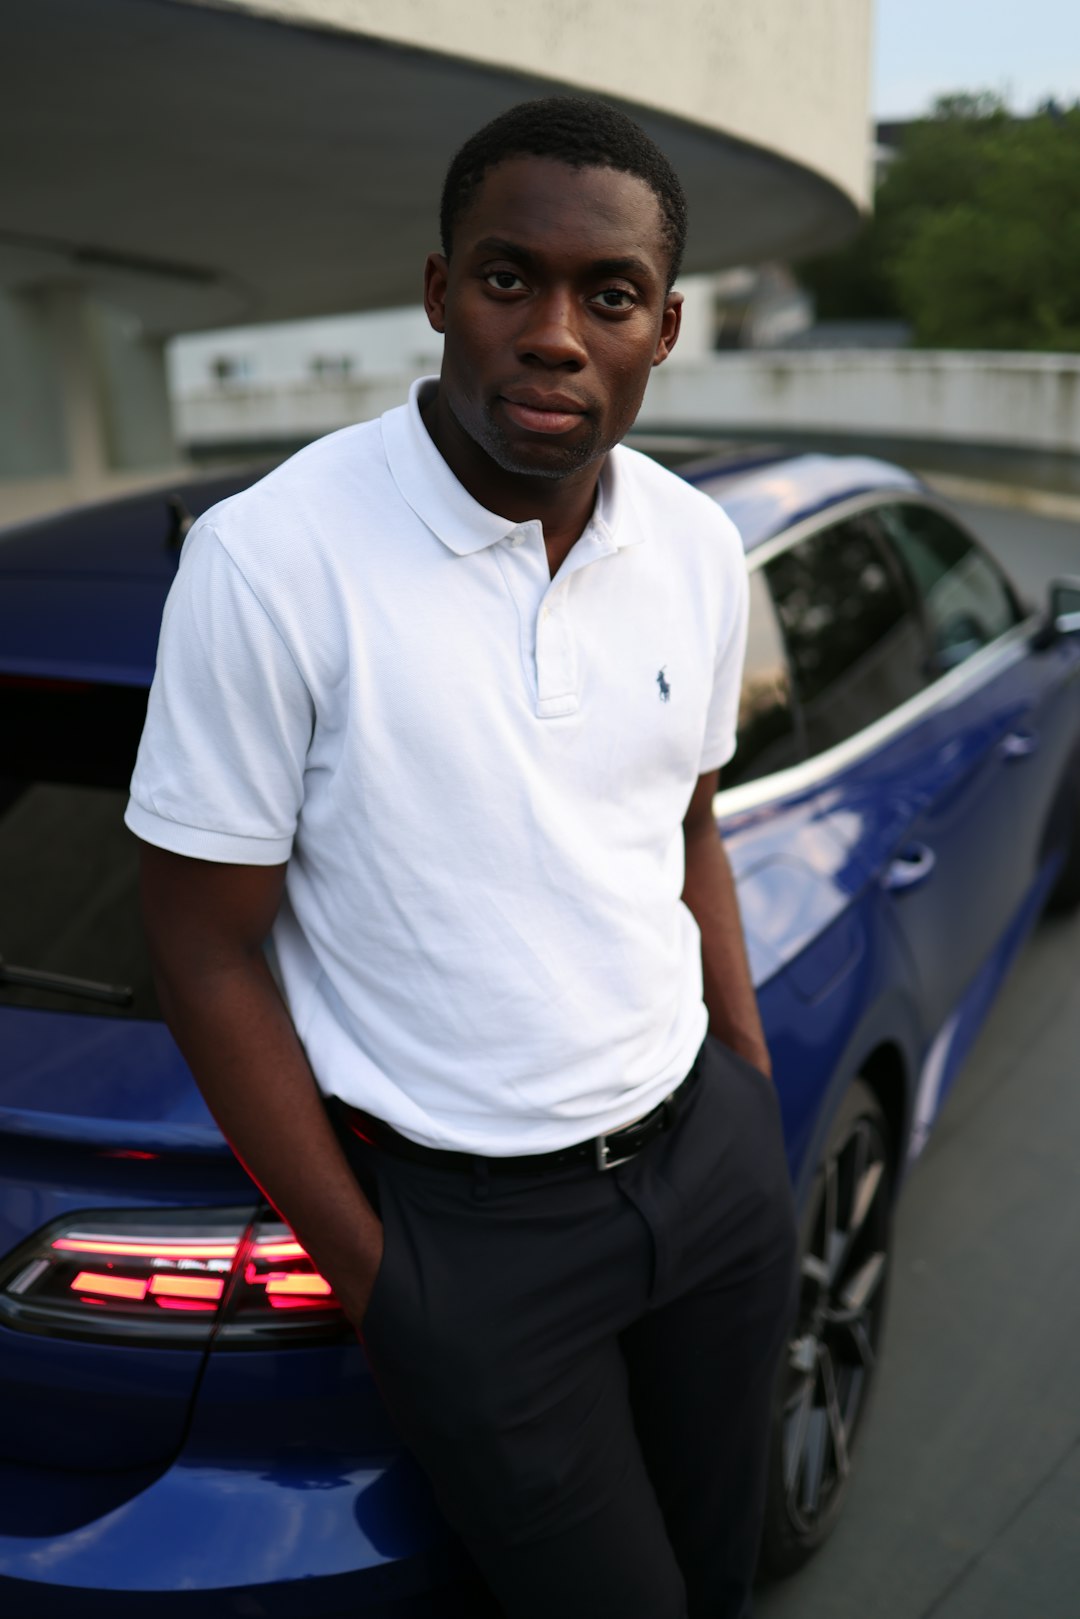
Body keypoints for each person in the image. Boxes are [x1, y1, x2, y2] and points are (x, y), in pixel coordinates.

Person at [126, 96, 797, 1619]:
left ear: (666, 326)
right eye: (511, 279)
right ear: (440, 293)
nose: (555, 333)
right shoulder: (273, 559)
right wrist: (384, 1284)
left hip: (708, 1168)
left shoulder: (694, 544)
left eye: (607, 295)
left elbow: (684, 821)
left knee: (722, 1568)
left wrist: (744, 1086)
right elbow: (202, 947)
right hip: (473, 1240)